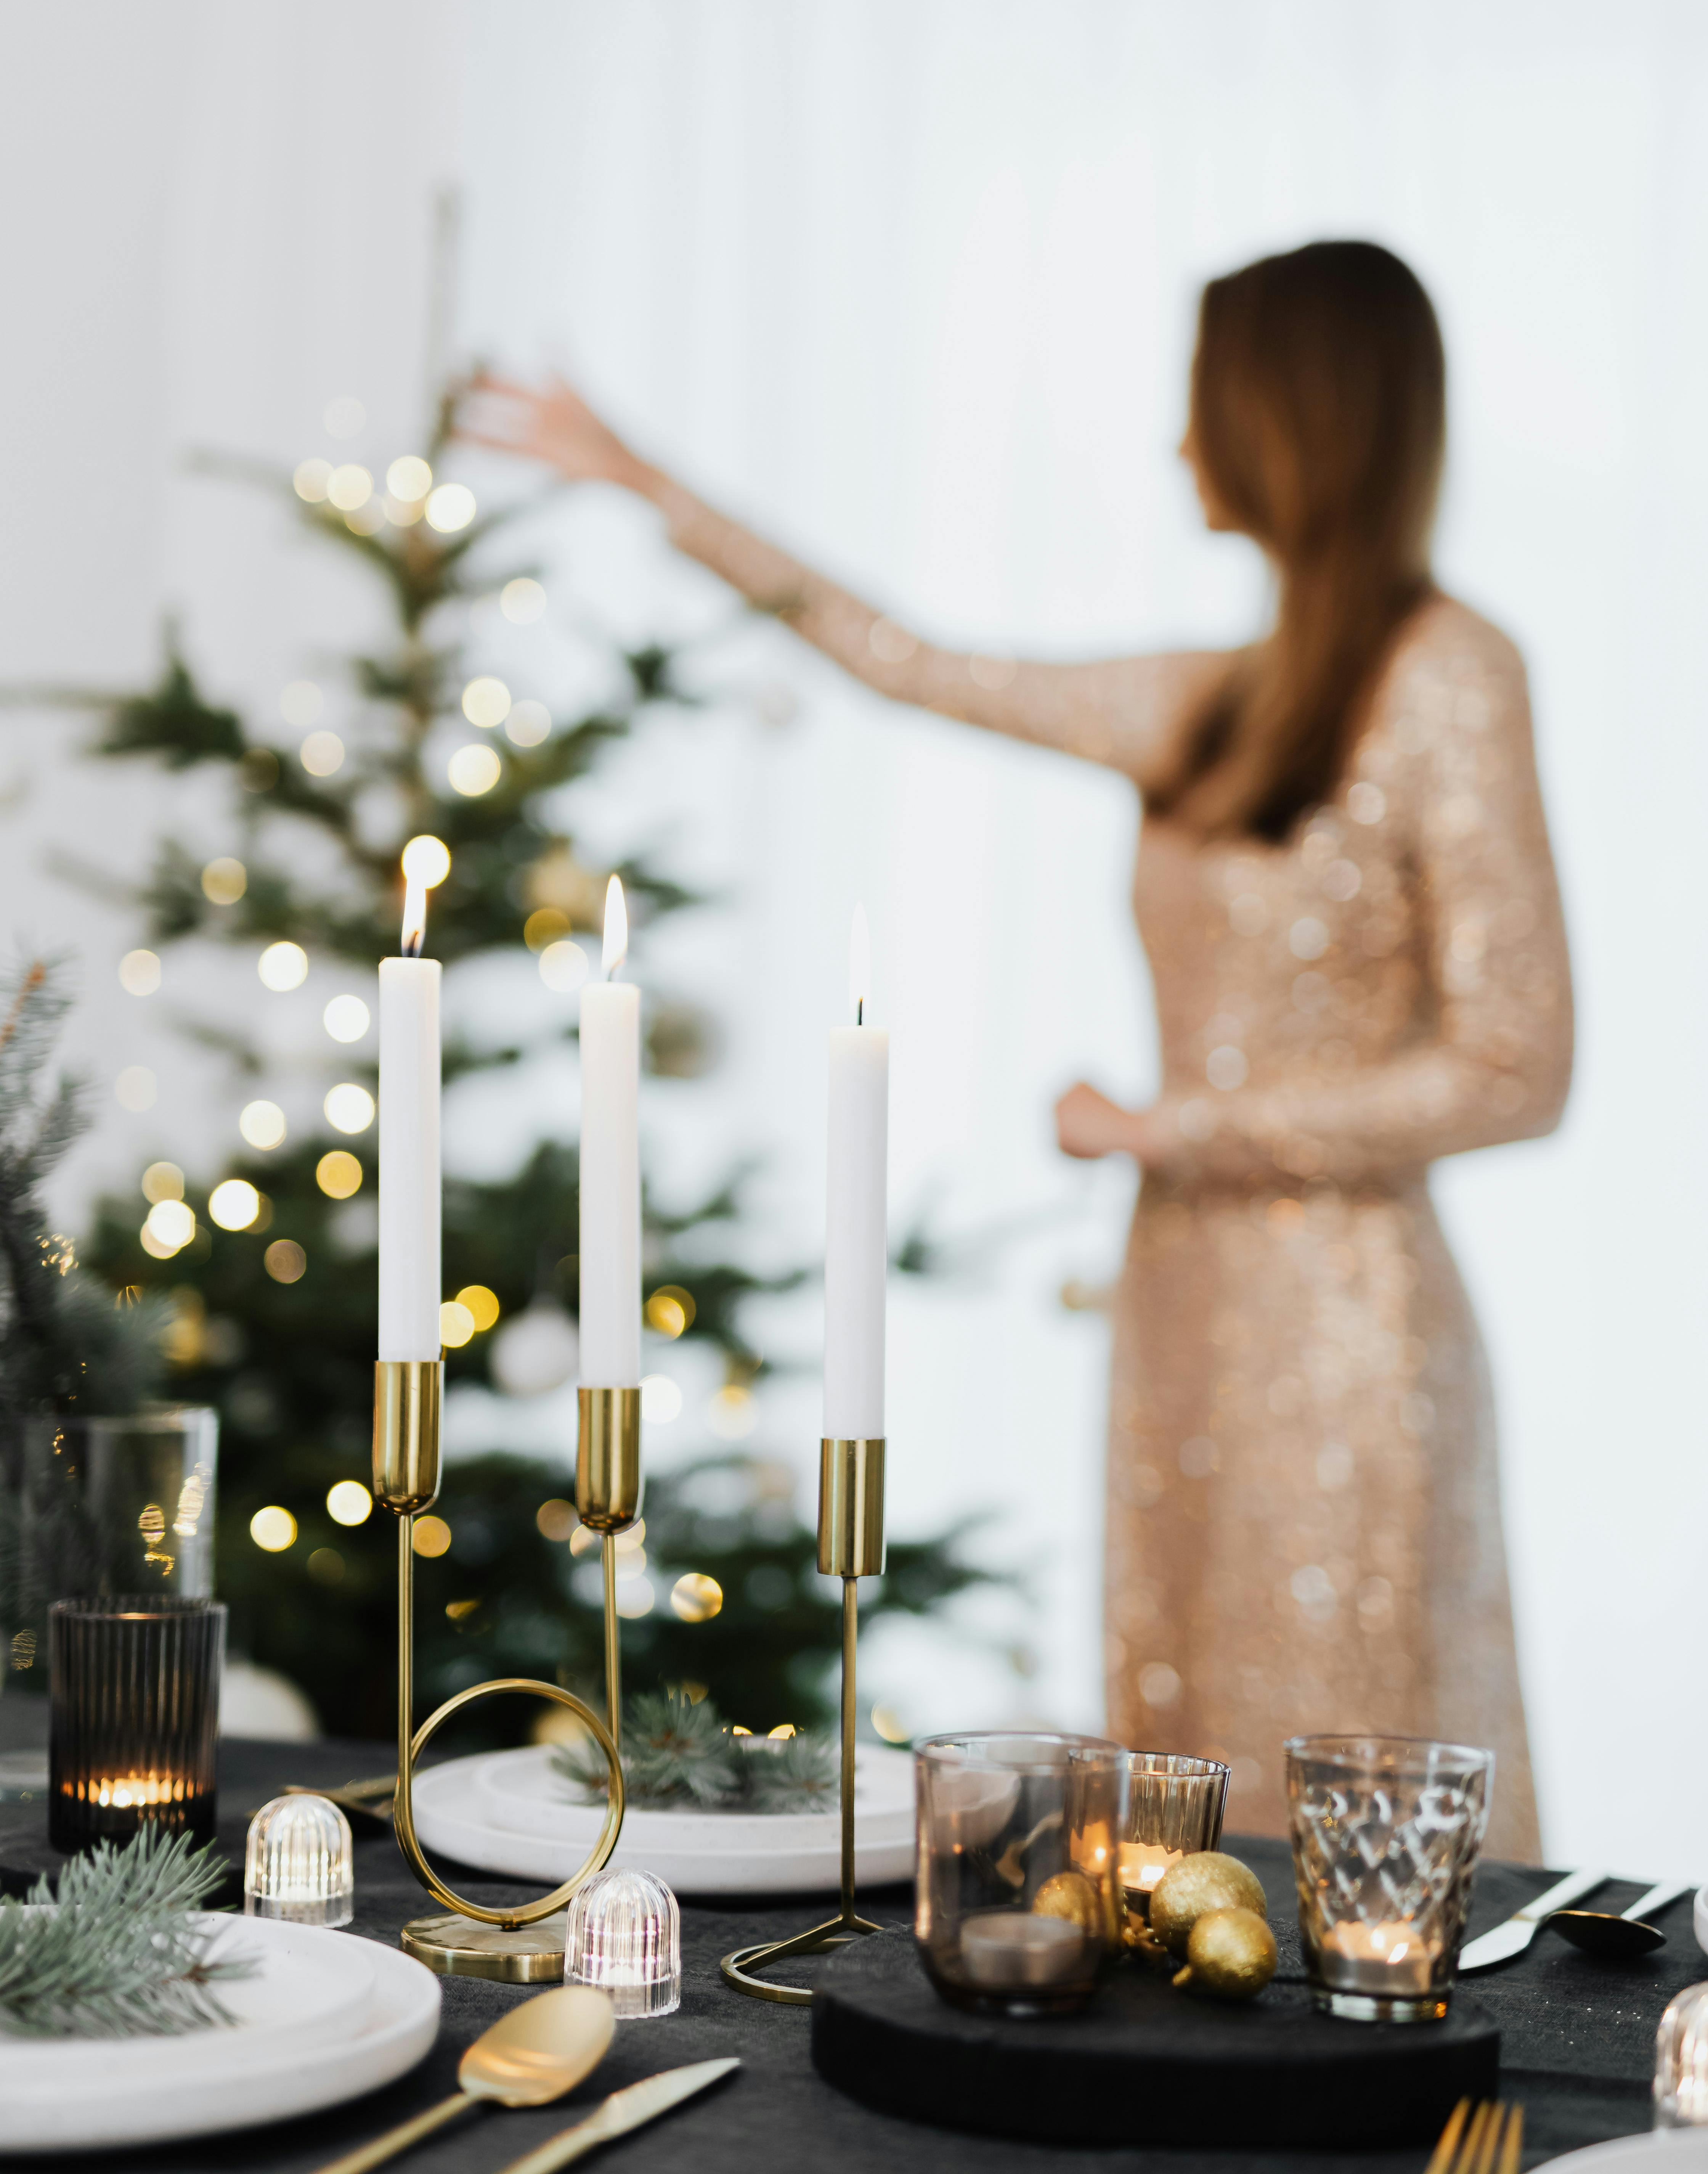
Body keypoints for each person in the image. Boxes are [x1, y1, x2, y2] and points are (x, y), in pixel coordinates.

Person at [463, 239, 1571, 1858]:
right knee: (1179, 1767)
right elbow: (900, 656)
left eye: (1201, 402)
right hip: (1181, 1300)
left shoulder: (1453, 678)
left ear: (1285, 417)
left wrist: (1171, 1128)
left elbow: (1515, 1066)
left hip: (1346, 1324)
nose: (1178, 444)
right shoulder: (1221, 702)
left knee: (1342, 1777)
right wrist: (640, 479)